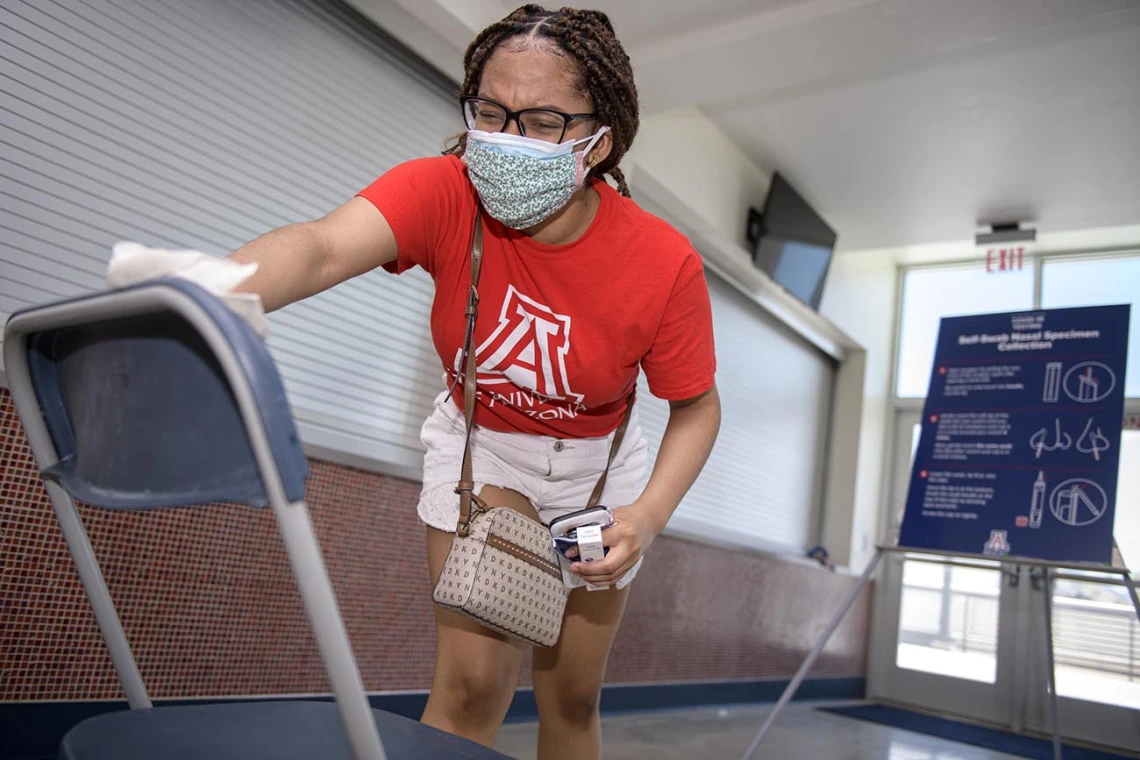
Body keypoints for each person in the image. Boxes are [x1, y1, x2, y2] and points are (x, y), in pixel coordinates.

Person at [228, 5, 720, 758]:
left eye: (542, 120)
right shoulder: (444, 192)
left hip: (599, 471)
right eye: (491, 112)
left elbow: (696, 407)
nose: (506, 139)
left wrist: (647, 515)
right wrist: (209, 287)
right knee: (471, 690)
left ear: (600, 140)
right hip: (484, 447)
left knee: (572, 696)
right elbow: (322, 247)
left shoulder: (662, 260)